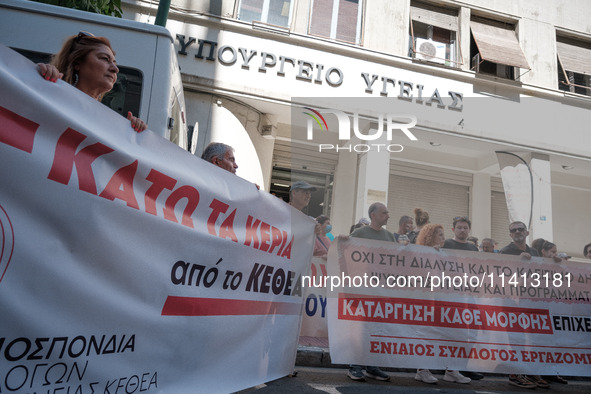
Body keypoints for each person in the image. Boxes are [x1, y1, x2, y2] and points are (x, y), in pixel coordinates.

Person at [38, 31, 146, 132]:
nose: (115, 69)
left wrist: (131, 133)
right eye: (105, 59)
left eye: (114, 63)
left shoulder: (108, 123)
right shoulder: (51, 95)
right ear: (77, 64)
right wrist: (37, 77)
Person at [415, 224, 471, 384]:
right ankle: (422, 370)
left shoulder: (447, 255)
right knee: (428, 336)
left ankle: (452, 370)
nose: (442, 237)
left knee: (452, 334)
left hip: (446, 301)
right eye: (439, 234)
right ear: (430, 237)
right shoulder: (420, 254)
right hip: (427, 301)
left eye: (443, 234)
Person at [347, 202, 393, 382]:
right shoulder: (359, 233)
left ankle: (372, 366)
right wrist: (343, 240)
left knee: (376, 328)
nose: (388, 216)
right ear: (373, 215)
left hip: (381, 290)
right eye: (384, 213)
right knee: (360, 328)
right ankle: (355, 366)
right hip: (362, 288)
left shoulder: (390, 236)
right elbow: (346, 252)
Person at [500, 222, 544, 389]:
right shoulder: (505, 251)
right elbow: (501, 276)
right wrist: (518, 262)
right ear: (510, 234)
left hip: (530, 300)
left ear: (527, 232)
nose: (517, 232)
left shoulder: (534, 252)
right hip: (511, 301)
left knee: (531, 338)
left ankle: (530, 371)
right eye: (514, 230)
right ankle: (515, 374)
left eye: (520, 229)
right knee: (516, 338)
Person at [441, 216, 483, 381]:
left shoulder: (473, 248)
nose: (462, 230)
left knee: (472, 330)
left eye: (465, 228)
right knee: (452, 331)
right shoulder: (446, 244)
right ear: (453, 230)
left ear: (469, 230)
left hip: (469, 295)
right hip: (450, 294)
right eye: (459, 227)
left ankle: (461, 366)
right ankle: (449, 368)